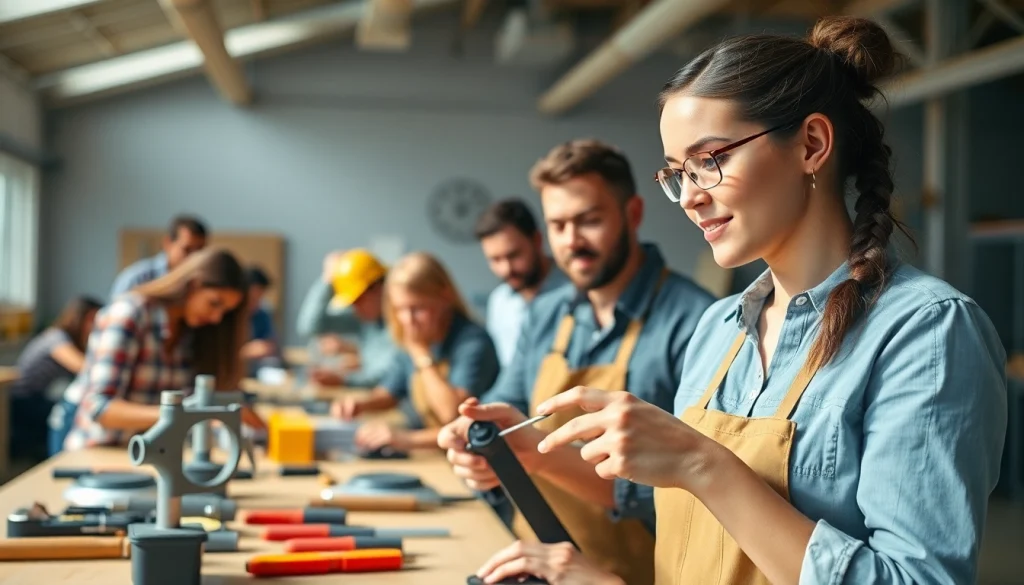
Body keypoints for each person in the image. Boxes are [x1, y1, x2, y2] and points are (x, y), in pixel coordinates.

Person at [469, 16, 1007, 585]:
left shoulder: (927, 332)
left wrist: (701, 462)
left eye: (711, 160)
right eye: (678, 174)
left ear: (812, 144)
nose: (690, 197)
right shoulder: (718, 328)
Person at [439, 139, 716, 585]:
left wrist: (538, 456)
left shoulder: (698, 322)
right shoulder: (547, 314)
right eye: (558, 225)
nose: (572, 241)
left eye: (589, 221)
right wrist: (480, 437)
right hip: (535, 563)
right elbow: (509, 400)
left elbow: (700, 491)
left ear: (633, 214)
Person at [51, 248, 266, 453]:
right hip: (98, 453)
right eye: (214, 303)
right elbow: (99, 409)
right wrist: (183, 413)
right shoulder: (129, 314)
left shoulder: (192, 336)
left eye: (225, 311)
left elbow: (203, 399)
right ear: (193, 285)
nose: (216, 318)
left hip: (150, 456)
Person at [331, 252, 500, 452]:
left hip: (468, 457)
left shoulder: (472, 342)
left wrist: (421, 353)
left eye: (418, 308)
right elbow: (390, 392)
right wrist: (359, 405)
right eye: (400, 309)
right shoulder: (417, 335)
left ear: (445, 296)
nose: (408, 320)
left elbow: (452, 416)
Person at [475, 198, 567, 368]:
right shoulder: (500, 301)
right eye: (495, 259)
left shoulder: (577, 290)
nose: (506, 269)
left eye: (513, 255)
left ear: (537, 240)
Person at [9, 296, 102, 461]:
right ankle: (58, 458)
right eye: (94, 321)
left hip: (37, 397)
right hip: (22, 400)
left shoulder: (67, 340)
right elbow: (83, 367)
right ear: (84, 318)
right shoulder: (56, 338)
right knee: (67, 412)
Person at [296, 249, 399, 388]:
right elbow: (310, 326)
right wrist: (327, 280)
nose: (355, 308)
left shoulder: (402, 322)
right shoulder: (367, 321)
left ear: (378, 287)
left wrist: (343, 380)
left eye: (359, 300)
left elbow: (388, 377)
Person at [110, 214, 208, 299]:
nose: (193, 257)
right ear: (167, 243)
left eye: (199, 251)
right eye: (187, 250)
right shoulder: (138, 278)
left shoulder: (200, 283)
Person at [241, 265, 283, 375]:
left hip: (258, 371)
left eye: (259, 299)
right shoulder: (224, 315)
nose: (255, 304)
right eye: (252, 299)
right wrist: (245, 351)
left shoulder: (262, 314)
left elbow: (273, 345)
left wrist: (267, 347)